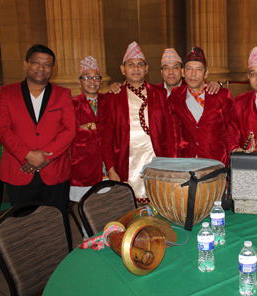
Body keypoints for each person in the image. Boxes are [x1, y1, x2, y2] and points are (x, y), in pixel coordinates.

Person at [0, 44, 75, 216]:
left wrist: (45, 157)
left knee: (56, 224)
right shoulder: (6, 93)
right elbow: (2, 130)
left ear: (52, 68)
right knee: (24, 226)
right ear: (26, 64)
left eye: (47, 64)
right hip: (20, 169)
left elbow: (69, 129)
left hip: (54, 172)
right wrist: (28, 154)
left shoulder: (62, 94)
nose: (41, 68)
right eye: (36, 63)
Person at [102, 41, 176, 204]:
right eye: (131, 65)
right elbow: (106, 138)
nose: (136, 69)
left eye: (140, 64)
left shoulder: (160, 94)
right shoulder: (112, 97)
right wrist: (110, 169)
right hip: (125, 165)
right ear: (123, 69)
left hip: (157, 164)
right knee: (129, 215)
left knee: (159, 210)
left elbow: (170, 133)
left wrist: (171, 164)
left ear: (146, 69)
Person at [169, 46, 234, 166]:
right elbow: (172, 131)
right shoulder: (176, 95)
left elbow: (231, 129)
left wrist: (233, 155)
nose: (193, 74)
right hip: (187, 162)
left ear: (206, 73)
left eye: (198, 69)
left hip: (216, 162)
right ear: (183, 72)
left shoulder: (221, 95)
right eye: (189, 69)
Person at [109, 48, 221, 97]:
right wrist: (117, 86)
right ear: (161, 73)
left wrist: (217, 84)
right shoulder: (153, 92)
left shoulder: (191, 89)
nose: (171, 72)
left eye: (175, 67)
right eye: (166, 68)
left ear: (182, 71)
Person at [70, 56, 105, 203]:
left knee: (110, 209)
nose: (92, 81)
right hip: (84, 166)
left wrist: (88, 126)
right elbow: (75, 134)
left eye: (96, 77)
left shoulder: (108, 100)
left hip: (107, 166)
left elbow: (116, 129)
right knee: (87, 210)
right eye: (87, 77)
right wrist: (100, 126)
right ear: (80, 81)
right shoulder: (73, 104)